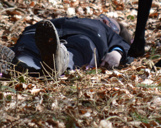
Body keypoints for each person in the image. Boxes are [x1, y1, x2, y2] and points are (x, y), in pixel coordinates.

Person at [0, 15, 133, 78]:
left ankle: (59, 62)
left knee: (78, 49)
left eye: (111, 24)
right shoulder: (73, 18)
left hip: (86, 38)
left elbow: (127, 48)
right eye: (105, 17)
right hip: (47, 31)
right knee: (30, 46)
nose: (104, 20)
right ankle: (21, 64)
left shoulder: (108, 34)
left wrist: (117, 52)